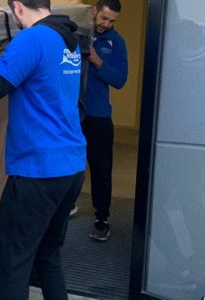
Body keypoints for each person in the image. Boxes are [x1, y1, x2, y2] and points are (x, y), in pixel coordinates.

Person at [0, 0, 86, 299]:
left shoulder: (32, 39)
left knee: (12, 268)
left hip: (37, 173)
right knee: (48, 258)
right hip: (71, 167)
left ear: (16, 7)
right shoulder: (68, 40)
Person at [80, 0, 128, 241]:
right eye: (104, 18)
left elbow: (120, 80)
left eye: (111, 21)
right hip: (70, 113)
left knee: (100, 169)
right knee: (68, 165)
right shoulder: (76, 33)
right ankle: (66, 206)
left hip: (98, 115)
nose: (106, 24)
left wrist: (98, 60)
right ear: (94, 11)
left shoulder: (116, 42)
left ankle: (102, 219)